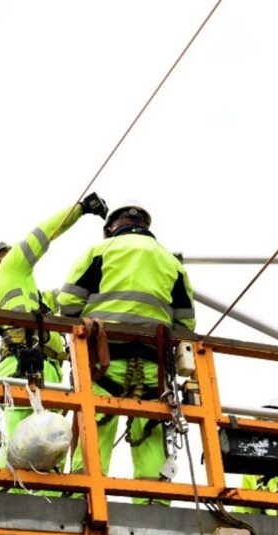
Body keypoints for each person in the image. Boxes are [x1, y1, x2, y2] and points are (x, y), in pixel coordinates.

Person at [56, 200, 195, 494]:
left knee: (94, 436)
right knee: (151, 442)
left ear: (110, 228)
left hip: (103, 362)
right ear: (146, 225)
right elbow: (186, 325)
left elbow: (67, 304)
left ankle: (85, 499)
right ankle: (155, 509)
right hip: (154, 370)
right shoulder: (172, 264)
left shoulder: (100, 252)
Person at [0, 194, 108, 469]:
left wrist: (94, 278)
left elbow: (61, 299)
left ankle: (23, 490)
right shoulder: (10, 268)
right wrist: (80, 209)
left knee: (40, 442)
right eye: (6, 251)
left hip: (29, 366)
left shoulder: (16, 291)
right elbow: (43, 234)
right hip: (29, 365)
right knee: (35, 442)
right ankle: (15, 490)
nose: (12, 253)